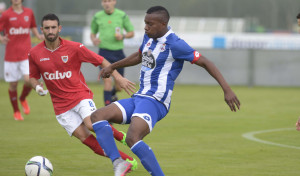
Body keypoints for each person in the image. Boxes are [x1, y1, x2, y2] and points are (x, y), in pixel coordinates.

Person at [91, 6, 241, 176]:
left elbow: (205, 62)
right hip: (139, 97)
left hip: (156, 101)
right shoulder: (148, 37)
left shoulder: (175, 44)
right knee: (97, 116)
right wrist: (112, 67)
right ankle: (118, 162)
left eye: (150, 24)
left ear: (163, 24)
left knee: (133, 137)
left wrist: (227, 90)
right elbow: (139, 56)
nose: (146, 27)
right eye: (145, 23)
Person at [28, 13, 137, 173]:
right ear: (41, 30)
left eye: (53, 27)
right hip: (61, 108)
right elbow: (32, 77)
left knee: (92, 124)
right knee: (86, 140)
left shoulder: (74, 48)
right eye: (47, 28)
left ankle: (122, 137)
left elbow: (101, 60)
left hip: (80, 96)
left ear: (59, 28)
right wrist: (37, 87)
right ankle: (127, 161)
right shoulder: (34, 53)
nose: (50, 31)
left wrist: (118, 77)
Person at [0, 0, 43, 121]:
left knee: (29, 80)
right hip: (11, 56)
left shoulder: (29, 12)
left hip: (26, 54)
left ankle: (22, 98)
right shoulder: (6, 14)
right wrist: (1, 38)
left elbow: (33, 26)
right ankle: (16, 112)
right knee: (13, 84)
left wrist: (38, 36)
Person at [90, 0, 134, 106]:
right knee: (107, 81)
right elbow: (93, 33)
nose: (107, 3)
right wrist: (94, 39)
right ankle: (108, 111)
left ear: (114, 2)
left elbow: (131, 33)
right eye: (104, 1)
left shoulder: (122, 15)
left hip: (118, 54)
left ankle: (112, 94)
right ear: (101, 3)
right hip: (104, 53)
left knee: (119, 87)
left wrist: (123, 36)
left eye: (109, 1)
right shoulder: (97, 16)